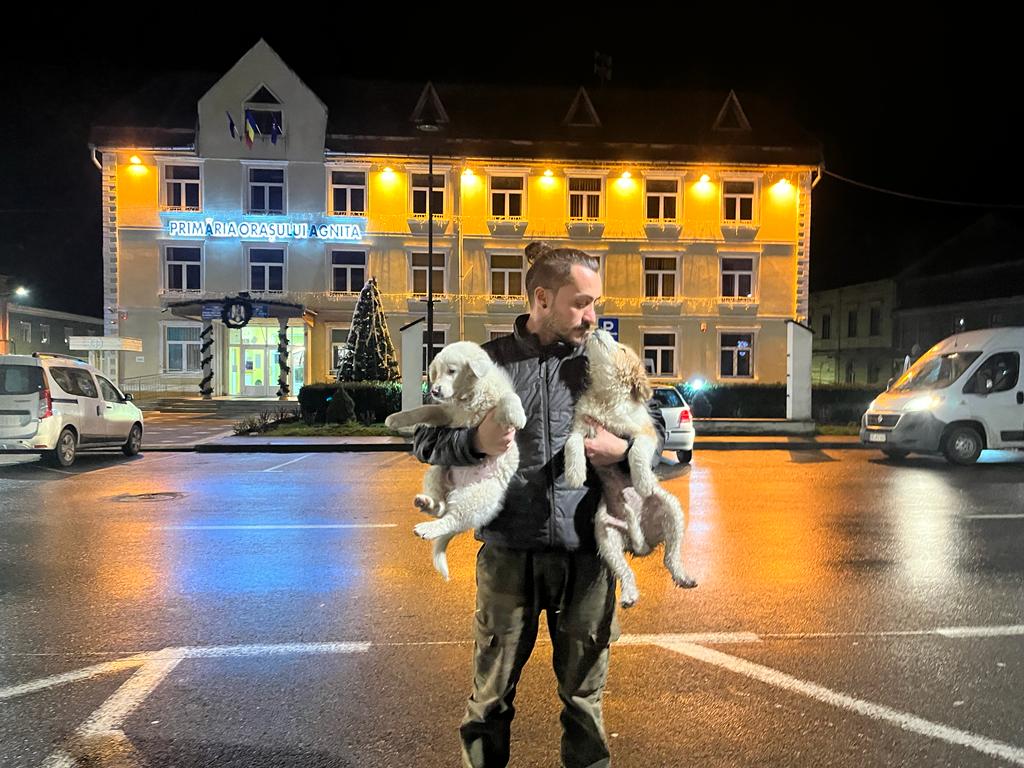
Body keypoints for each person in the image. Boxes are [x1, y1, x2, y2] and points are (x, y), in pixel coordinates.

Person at [412, 241, 666, 768]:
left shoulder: (605, 361)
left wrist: (624, 450)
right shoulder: (487, 363)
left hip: (588, 557)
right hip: (510, 554)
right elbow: (424, 438)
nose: (592, 316)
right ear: (542, 299)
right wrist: (474, 442)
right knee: (489, 700)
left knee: (584, 703)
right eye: (581, 303)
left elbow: (654, 426)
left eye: (595, 303)